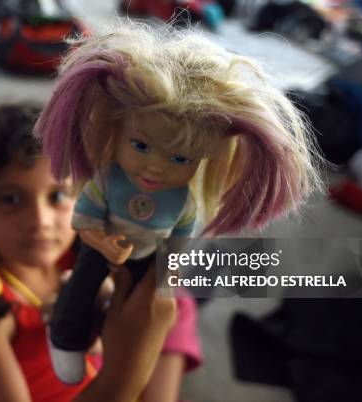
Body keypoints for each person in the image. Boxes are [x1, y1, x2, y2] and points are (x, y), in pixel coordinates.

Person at [35, 19, 324, 382]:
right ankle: (65, 336)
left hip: (149, 260)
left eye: (180, 159)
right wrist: (103, 242)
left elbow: (177, 247)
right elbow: (85, 220)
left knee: (146, 306)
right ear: (118, 130)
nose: (154, 170)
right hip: (103, 248)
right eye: (140, 146)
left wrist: (166, 275)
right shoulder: (108, 180)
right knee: (80, 289)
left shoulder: (183, 204)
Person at [0, 104, 202, 402]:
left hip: (106, 378)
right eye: (11, 199)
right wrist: (126, 368)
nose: (41, 221)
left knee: (169, 297)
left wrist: (108, 321)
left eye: (58, 196)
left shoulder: (84, 247)